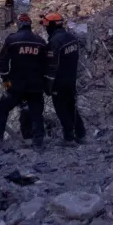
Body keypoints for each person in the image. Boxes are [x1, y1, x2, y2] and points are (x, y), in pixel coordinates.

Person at [0, 14, 50, 149]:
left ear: (19, 24)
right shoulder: (40, 42)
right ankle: (38, 140)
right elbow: (47, 64)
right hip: (36, 86)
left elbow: (3, 61)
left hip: (15, 85)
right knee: (36, 112)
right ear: (30, 24)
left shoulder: (12, 40)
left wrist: (6, 81)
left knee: (3, 107)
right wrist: (45, 83)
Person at [43, 13, 86, 145]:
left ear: (51, 26)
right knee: (71, 106)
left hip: (59, 82)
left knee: (62, 109)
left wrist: (48, 85)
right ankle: (81, 134)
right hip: (71, 79)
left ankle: (68, 138)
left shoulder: (55, 42)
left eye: (46, 26)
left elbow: (52, 66)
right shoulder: (71, 38)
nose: (45, 29)